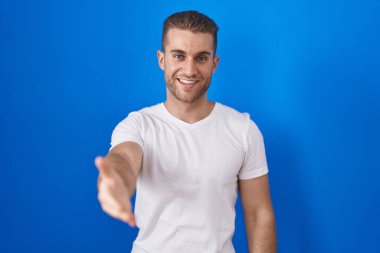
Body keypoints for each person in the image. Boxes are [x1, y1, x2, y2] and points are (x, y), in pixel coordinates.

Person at [95, 10, 277, 253]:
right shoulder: (138, 125)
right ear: (162, 59)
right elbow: (124, 160)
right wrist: (114, 184)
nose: (189, 70)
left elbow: (259, 214)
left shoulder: (243, 129)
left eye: (201, 58)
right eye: (179, 56)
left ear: (215, 63)